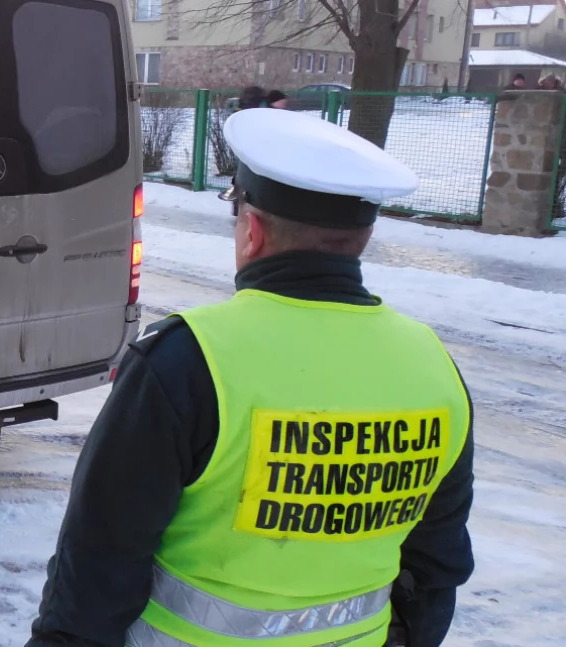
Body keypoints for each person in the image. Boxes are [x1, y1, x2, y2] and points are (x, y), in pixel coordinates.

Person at [24, 108, 475, 647]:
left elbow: (100, 561)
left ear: (253, 230)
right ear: (362, 236)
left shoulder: (188, 359)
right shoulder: (432, 364)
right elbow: (435, 566)